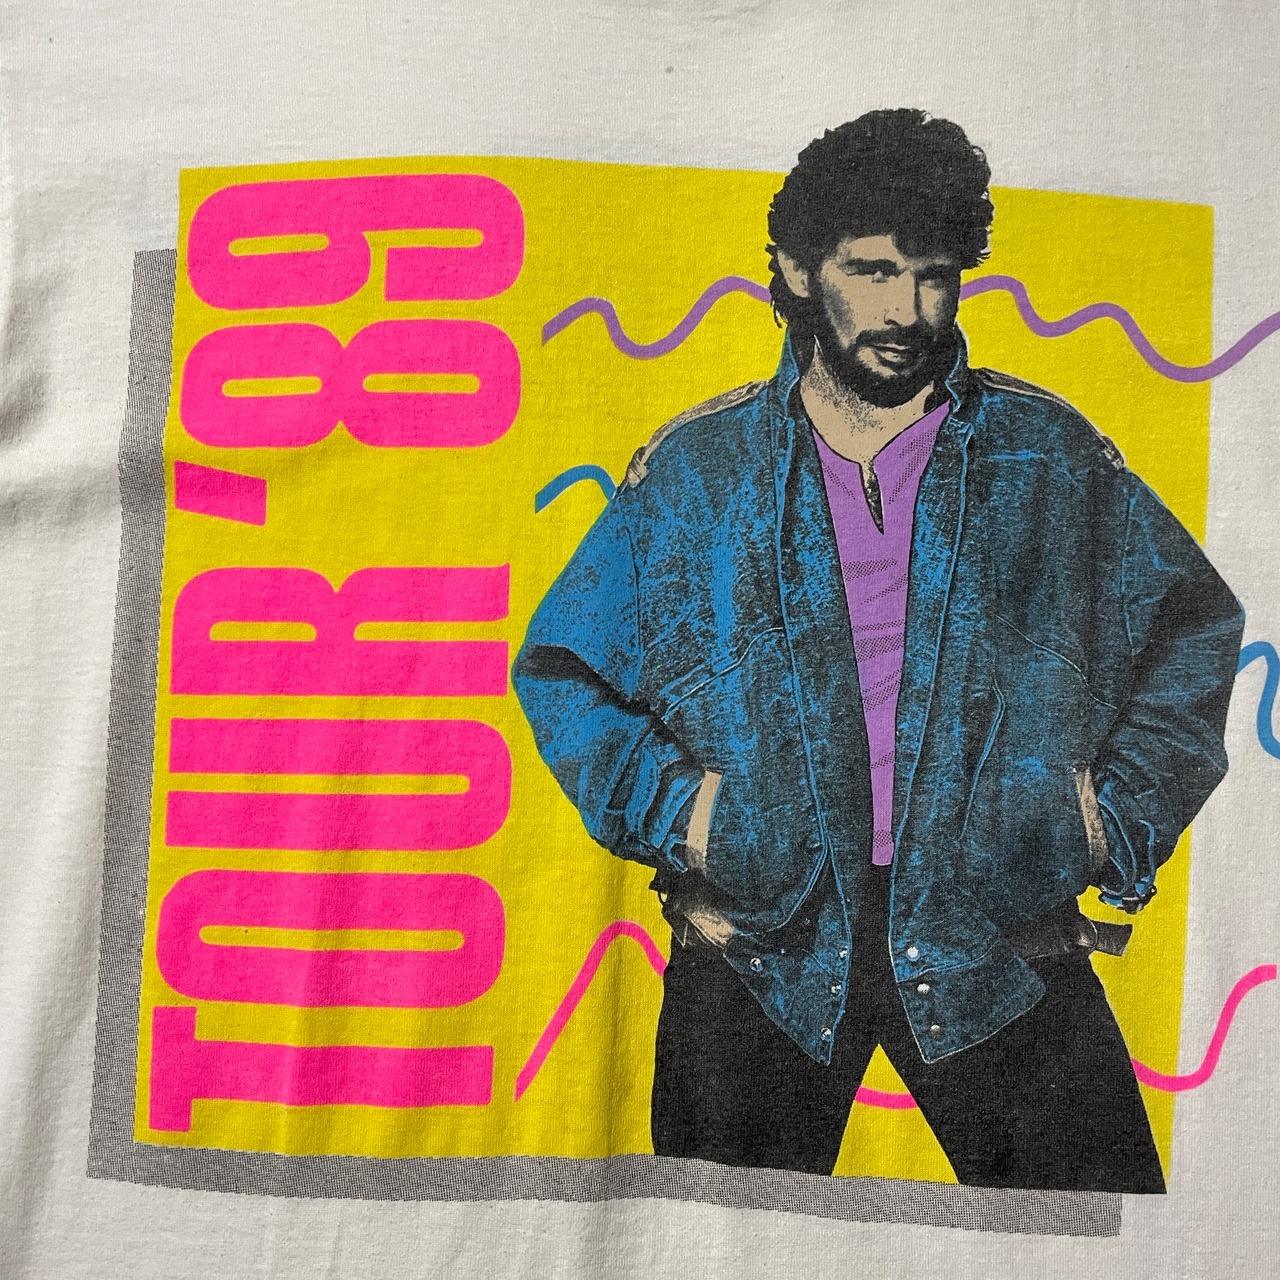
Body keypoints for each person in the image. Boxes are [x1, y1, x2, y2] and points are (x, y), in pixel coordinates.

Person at [512, 109, 1245, 1192]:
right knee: (714, 1245)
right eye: (872, 270)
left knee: (1101, 1231)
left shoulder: (1047, 452)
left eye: (934, 275)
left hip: (999, 945)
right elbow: (566, 672)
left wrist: (1100, 820)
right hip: (756, 953)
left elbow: (1192, 632)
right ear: (797, 270)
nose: (907, 310)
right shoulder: (698, 469)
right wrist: (692, 816)